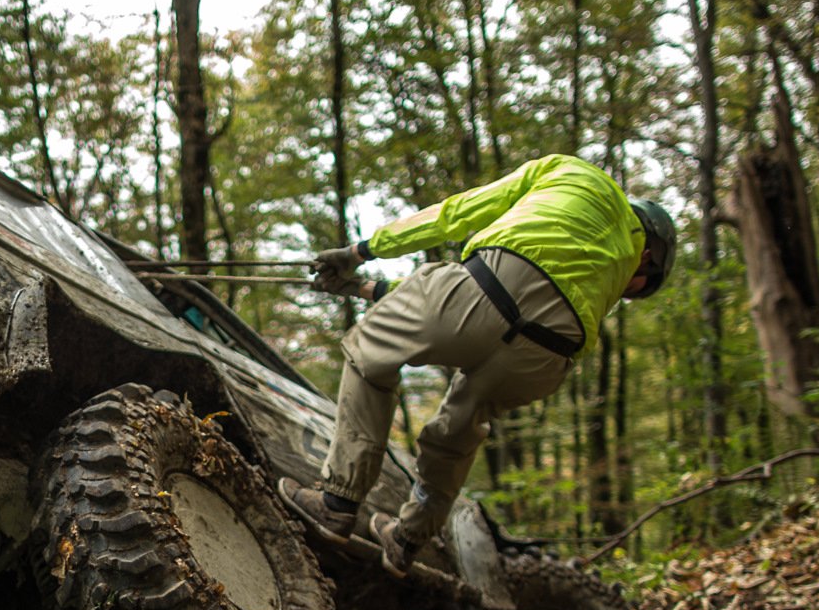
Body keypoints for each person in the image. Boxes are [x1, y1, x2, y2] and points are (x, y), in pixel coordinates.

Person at [283, 154, 676, 576]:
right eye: (638, 286)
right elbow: (510, 301)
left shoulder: (575, 174)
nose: (627, 292)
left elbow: (464, 231)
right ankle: (407, 538)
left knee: (369, 355)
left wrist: (360, 251)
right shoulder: (614, 253)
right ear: (648, 253)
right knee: (461, 428)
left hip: (487, 288)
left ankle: (337, 502)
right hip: (548, 354)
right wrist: (364, 285)